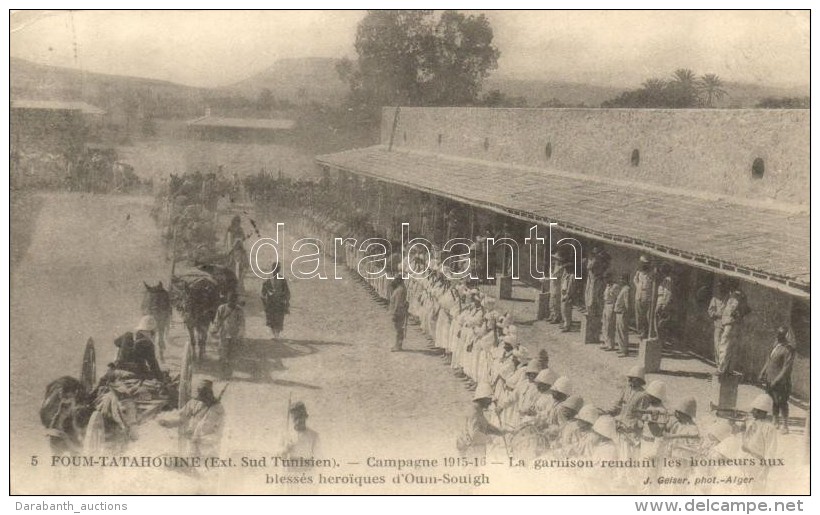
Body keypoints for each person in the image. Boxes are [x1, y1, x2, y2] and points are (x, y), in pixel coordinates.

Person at [160, 379, 225, 457]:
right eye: (200, 392)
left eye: (204, 393)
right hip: (192, 445)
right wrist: (168, 423)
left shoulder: (217, 409)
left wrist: (197, 438)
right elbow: (182, 418)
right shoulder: (193, 403)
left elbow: (217, 432)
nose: (201, 396)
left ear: (209, 393)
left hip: (207, 448)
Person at [607, 365, 650, 459]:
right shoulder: (626, 389)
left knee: (627, 457)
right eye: (629, 378)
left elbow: (641, 417)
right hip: (619, 427)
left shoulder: (643, 396)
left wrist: (632, 426)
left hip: (631, 432)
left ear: (639, 380)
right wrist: (610, 411)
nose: (629, 380)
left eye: (632, 379)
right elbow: (618, 404)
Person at [759, 327, 795, 434]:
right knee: (774, 400)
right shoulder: (776, 346)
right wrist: (762, 372)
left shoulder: (789, 350)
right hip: (770, 379)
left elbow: (786, 368)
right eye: (778, 334)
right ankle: (775, 422)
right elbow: (769, 360)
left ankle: (785, 426)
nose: (778, 336)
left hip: (781, 381)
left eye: (781, 335)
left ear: (786, 337)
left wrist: (776, 380)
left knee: (782, 402)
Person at [457, 383, 507, 458]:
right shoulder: (473, 413)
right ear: (483, 399)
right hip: (470, 450)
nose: (490, 403)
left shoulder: (478, 410)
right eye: (489, 400)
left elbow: (486, 426)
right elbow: (475, 435)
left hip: (475, 448)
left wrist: (500, 432)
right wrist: (489, 439)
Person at [114, 316, 164, 381]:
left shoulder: (127, 335)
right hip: (136, 372)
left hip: (119, 369)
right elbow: (153, 364)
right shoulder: (148, 343)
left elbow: (116, 342)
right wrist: (161, 378)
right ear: (151, 332)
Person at [213, 293, 245, 379]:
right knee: (222, 355)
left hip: (234, 335)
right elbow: (217, 320)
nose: (232, 302)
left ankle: (229, 374)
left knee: (232, 355)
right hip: (223, 334)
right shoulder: (222, 308)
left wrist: (240, 334)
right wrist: (215, 329)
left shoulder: (239, 310)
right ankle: (222, 374)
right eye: (230, 300)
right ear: (228, 300)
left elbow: (242, 323)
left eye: (234, 301)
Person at [261, 262, 291, 339]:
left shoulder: (282, 279)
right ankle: (275, 334)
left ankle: (276, 334)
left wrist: (286, 301)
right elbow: (263, 293)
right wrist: (264, 302)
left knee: (278, 319)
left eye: (277, 269)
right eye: (275, 269)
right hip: (272, 303)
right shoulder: (268, 280)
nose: (275, 271)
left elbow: (287, 292)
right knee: (272, 319)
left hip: (278, 303)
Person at [633, 255, 655, 339]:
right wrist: (638, 286)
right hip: (639, 294)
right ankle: (640, 331)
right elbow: (635, 279)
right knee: (639, 315)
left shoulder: (651, 273)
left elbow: (653, 283)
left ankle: (646, 332)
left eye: (645, 264)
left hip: (647, 295)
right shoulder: (639, 272)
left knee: (646, 315)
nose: (643, 265)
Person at [388, 276, 409, 352]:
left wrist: (394, 313)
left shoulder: (399, 290)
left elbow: (398, 303)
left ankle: (398, 346)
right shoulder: (401, 289)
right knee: (399, 329)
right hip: (400, 311)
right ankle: (398, 345)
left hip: (399, 312)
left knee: (398, 329)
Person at [600, 273, 620, 351]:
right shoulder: (607, 286)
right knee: (604, 325)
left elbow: (618, 298)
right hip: (606, 305)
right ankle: (606, 343)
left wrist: (615, 308)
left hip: (611, 305)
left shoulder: (615, 286)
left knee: (609, 326)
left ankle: (611, 345)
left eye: (606, 278)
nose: (605, 280)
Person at [613, 273, 632, 357]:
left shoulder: (627, 289)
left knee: (623, 332)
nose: (620, 281)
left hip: (622, 313)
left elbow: (627, 302)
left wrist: (627, 312)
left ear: (625, 280)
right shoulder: (623, 288)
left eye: (622, 279)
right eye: (620, 279)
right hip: (618, 312)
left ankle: (624, 350)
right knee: (619, 331)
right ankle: (621, 348)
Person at [560, 261, 577, 332]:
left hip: (568, 294)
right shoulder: (566, 275)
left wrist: (568, 295)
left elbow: (571, 287)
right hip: (563, 293)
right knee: (563, 309)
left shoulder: (572, 276)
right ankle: (565, 324)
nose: (565, 270)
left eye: (566, 268)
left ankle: (567, 326)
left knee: (567, 310)